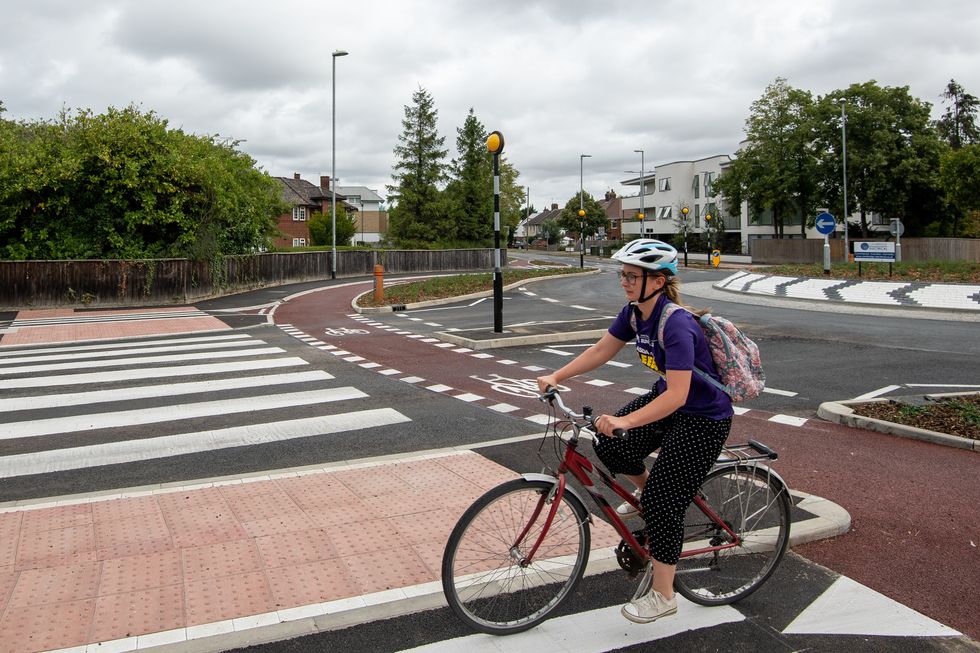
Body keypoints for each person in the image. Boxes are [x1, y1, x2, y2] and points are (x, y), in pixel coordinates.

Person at [536, 239, 734, 624]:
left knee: (662, 501)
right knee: (608, 444)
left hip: (703, 418)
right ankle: (655, 494)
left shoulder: (676, 324)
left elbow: (678, 396)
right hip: (670, 402)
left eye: (632, 275)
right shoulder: (634, 313)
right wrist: (557, 376)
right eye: (622, 274)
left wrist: (626, 420)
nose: (624, 282)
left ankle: (664, 594)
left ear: (659, 280)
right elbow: (601, 350)